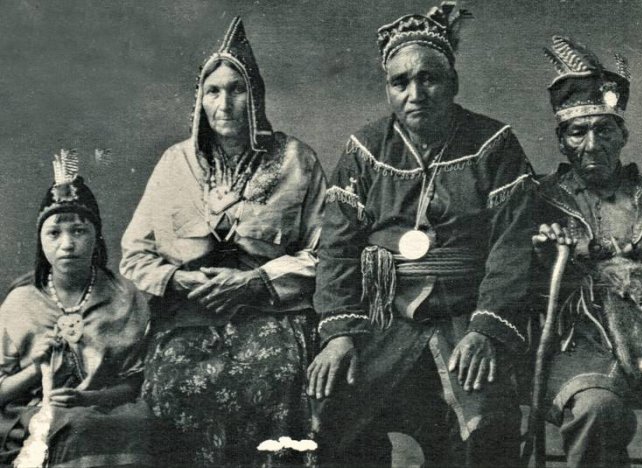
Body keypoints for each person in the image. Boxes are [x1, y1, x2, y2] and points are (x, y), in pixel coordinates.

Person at [307, 3, 533, 466]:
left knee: (485, 423)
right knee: (334, 408)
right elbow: (337, 250)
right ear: (388, 89)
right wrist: (340, 335)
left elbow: (512, 248)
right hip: (384, 320)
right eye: (400, 82)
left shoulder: (494, 145)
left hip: (466, 317)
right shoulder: (365, 150)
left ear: (453, 83)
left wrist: (485, 330)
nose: (415, 94)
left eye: (429, 79)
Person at [120, 17, 326, 466]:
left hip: (271, 314)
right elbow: (135, 253)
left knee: (273, 376)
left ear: (256, 97)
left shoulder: (297, 160)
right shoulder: (175, 163)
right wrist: (178, 280)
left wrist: (256, 282)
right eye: (213, 91)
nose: (224, 103)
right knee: (174, 384)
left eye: (237, 90)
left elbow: (323, 252)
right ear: (200, 100)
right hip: (188, 315)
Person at [495, 36, 642, 467]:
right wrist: (542, 254)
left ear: (623, 134)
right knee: (597, 411)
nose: (592, 144)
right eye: (578, 132)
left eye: (604, 130)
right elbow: (506, 276)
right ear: (561, 140)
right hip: (579, 347)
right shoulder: (536, 199)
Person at [0, 150, 152, 467]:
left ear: (97, 237)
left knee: (139, 425)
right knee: (76, 426)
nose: (67, 244)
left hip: (105, 407)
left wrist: (88, 397)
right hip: (32, 413)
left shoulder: (124, 296)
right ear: (41, 241)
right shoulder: (20, 302)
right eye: (54, 233)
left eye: (79, 231)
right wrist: (36, 369)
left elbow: (134, 383)